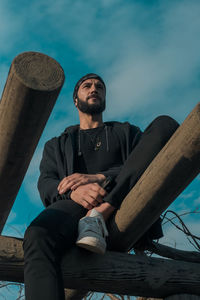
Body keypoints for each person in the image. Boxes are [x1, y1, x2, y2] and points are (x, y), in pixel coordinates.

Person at [23, 73, 179, 300]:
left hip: (125, 205)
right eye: (87, 86)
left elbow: (146, 165)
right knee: (38, 235)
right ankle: (92, 216)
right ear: (76, 100)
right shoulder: (56, 144)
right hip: (76, 210)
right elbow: (46, 183)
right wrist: (73, 192)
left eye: (99, 86)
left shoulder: (127, 132)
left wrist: (99, 177)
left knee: (165, 124)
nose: (94, 89)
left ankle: (100, 213)